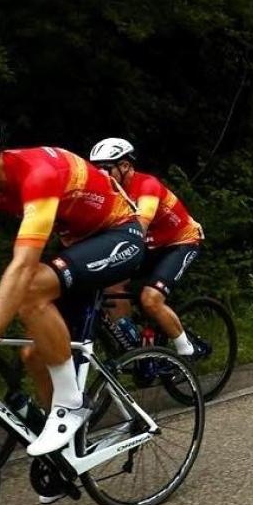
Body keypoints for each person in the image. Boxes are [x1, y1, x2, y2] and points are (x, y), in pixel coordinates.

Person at [0, 103, 145, 477]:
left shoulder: (37, 174)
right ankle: (69, 455)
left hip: (120, 235)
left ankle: (70, 405)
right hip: (78, 244)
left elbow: (23, 265)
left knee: (30, 289)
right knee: (33, 356)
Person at [88, 138, 205, 357]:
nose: (100, 175)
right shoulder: (110, 191)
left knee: (151, 299)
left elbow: (141, 224)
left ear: (125, 166)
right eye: (96, 169)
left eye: (106, 168)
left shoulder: (146, 185)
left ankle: (188, 350)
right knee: (111, 289)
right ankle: (135, 349)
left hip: (179, 242)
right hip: (149, 247)